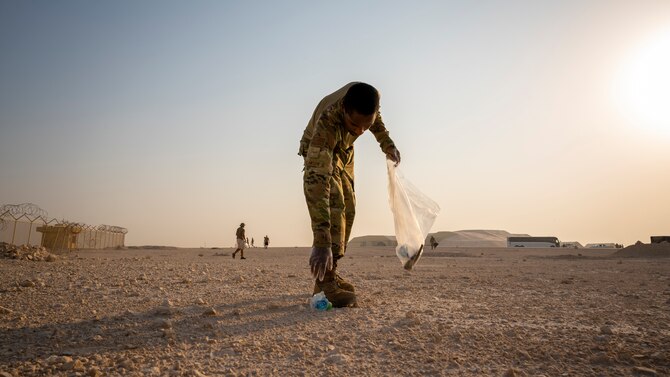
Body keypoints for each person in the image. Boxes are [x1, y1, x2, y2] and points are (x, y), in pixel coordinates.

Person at [299, 82, 401, 307]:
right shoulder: (325, 129)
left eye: (366, 126)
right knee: (334, 203)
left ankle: (329, 274)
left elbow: (376, 121)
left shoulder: (370, 100)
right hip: (322, 149)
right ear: (344, 108)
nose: (359, 131)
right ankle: (325, 282)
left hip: (344, 151)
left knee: (349, 207)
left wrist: (387, 145)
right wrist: (321, 241)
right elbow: (316, 185)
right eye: (355, 124)